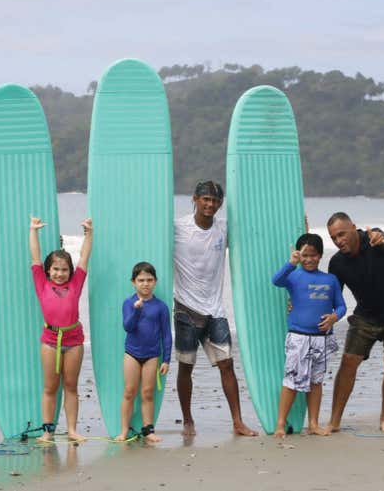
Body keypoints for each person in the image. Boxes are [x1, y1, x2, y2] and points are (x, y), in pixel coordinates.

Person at [173, 180, 258, 437]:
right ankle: (188, 420)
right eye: (205, 199)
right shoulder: (177, 228)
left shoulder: (223, 229)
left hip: (215, 310)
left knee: (227, 364)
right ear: (195, 199)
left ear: (220, 204)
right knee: (186, 367)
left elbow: (256, 237)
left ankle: (237, 422)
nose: (210, 204)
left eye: (215, 200)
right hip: (186, 308)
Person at [325, 212, 384, 434]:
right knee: (348, 362)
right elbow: (332, 297)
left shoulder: (376, 241)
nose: (338, 241)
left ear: (354, 228)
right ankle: (334, 421)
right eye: (333, 238)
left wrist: (381, 237)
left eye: (342, 234)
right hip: (366, 317)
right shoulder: (337, 263)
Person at [271, 233, 346, 438]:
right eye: (305, 255)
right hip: (298, 337)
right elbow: (275, 280)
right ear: (299, 255)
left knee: (316, 381)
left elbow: (341, 306)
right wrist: (291, 263)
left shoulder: (330, 279)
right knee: (292, 380)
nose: (309, 259)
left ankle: (313, 423)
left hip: (322, 338)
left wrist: (334, 317)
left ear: (320, 255)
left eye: (313, 255)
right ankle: (280, 423)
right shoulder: (293, 276)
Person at [29, 215, 93, 442]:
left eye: (64, 269)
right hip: (49, 340)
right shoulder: (41, 283)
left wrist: (89, 234)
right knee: (50, 387)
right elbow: (35, 258)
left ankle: (72, 430)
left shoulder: (75, 283)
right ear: (48, 271)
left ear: (70, 272)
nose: (59, 273)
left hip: (74, 341)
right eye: (55, 269)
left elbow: (84, 259)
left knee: (71, 386)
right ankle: (48, 430)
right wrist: (33, 231)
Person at [115, 262, 172, 443]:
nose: (145, 284)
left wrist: (167, 360)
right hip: (132, 353)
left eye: (149, 280)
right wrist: (137, 310)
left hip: (152, 355)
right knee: (129, 391)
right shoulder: (129, 303)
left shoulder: (161, 307)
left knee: (147, 393)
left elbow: (166, 334)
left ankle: (148, 430)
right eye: (141, 280)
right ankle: (124, 431)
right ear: (133, 282)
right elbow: (128, 327)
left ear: (155, 282)